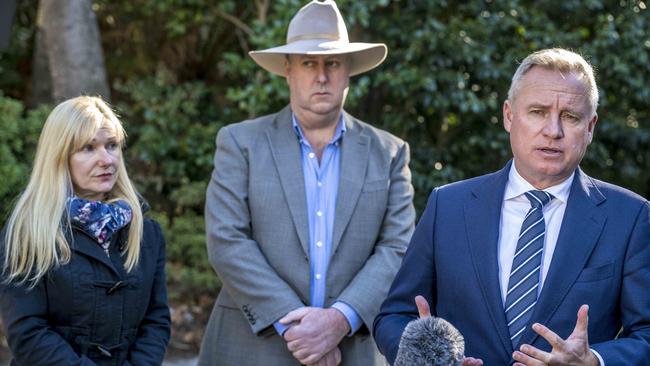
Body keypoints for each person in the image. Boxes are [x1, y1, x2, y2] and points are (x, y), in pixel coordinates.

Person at [374, 48, 650, 366]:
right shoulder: (447, 206)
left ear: (590, 127)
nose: (553, 130)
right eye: (537, 112)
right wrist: (425, 358)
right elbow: (394, 316)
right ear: (509, 116)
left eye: (570, 117)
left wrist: (595, 361)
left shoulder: (629, 217)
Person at [197, 1, 415, 365]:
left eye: (332, 63)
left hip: (351, 350)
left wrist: (338, 321)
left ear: (348, 71)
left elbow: (398, 247)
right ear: (288, 70)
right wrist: (298, 326)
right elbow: (226, 240)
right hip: (253, 348)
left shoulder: (389, 152)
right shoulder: (241, 143)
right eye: (308, 63)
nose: (322, 76)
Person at [0, 96, 171, 365]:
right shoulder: (29, 231)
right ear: (59, 157)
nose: (106, 160)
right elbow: (27, 331)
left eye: (112, 145)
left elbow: (156, 321)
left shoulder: (146, 232)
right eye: (88, 148)